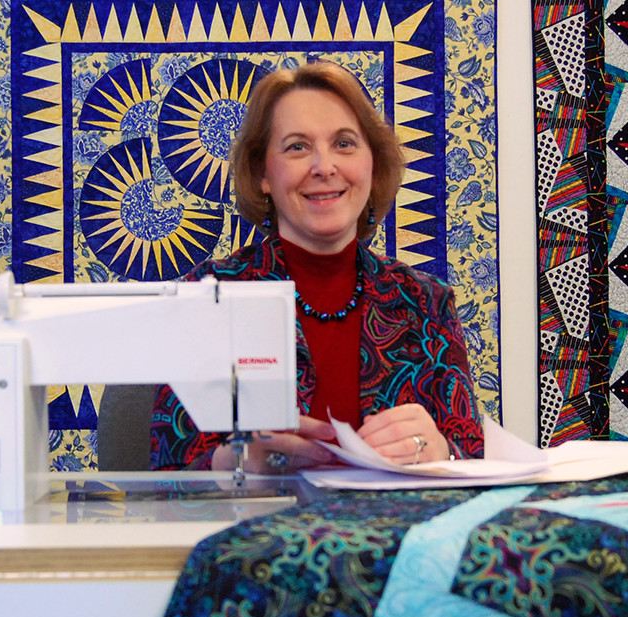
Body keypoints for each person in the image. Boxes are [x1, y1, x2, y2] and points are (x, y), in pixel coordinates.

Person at [150, 62, 484, 473]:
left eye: (344, 144)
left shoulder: (426, 302)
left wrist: (442, 453)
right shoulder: (208, 296)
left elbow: (472, 456)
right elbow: (167, 479)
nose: (324, 166)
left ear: (372, 164)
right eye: (297, 147)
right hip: (254, 533)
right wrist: (236, 465)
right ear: (262, 174)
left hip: (394, 534)